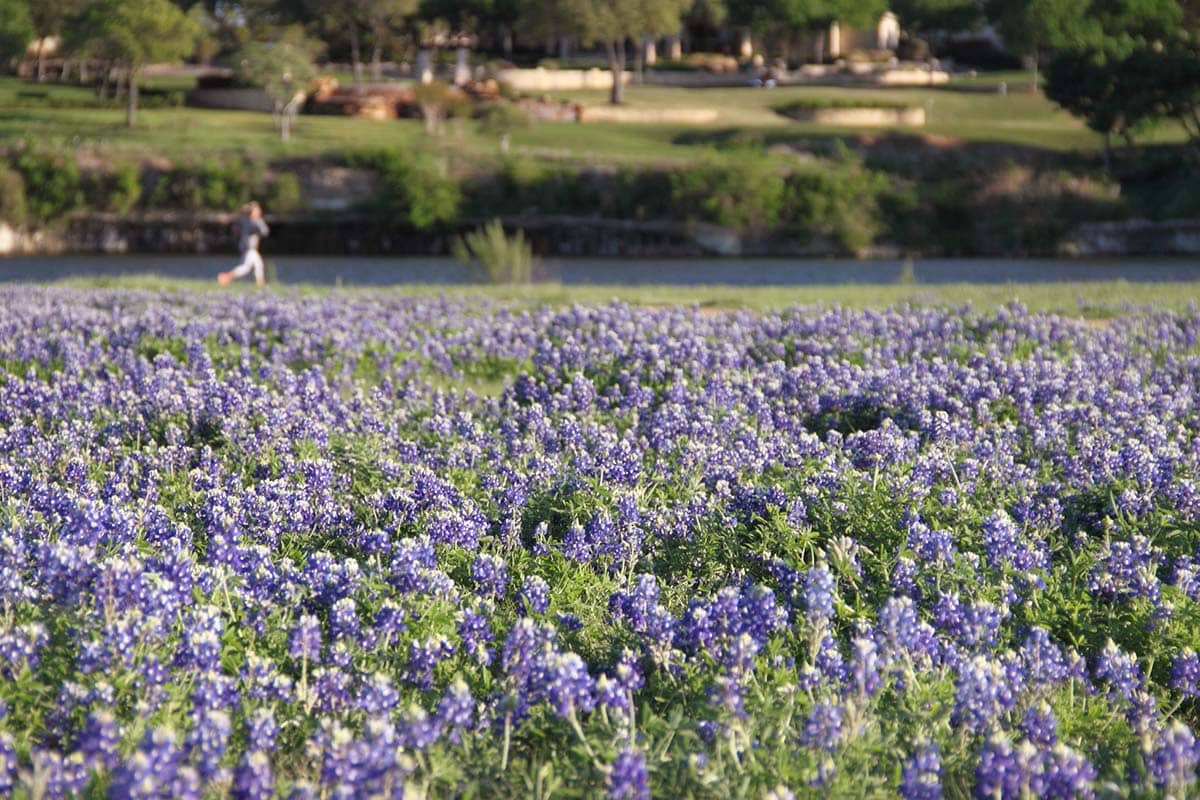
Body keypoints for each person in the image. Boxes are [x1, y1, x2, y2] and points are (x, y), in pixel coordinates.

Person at [217, 202, 270, 287]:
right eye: (257, 211)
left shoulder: (252, 221)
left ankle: (226, 277)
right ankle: (260, 284)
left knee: (248, 267)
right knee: (256, 264)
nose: (259, 213)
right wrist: (259, 223)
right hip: (248, 248)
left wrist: (259, 222)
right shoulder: (248, 222)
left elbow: (265, 232)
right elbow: (261, 231)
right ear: (252, 212)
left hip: (250, 249)